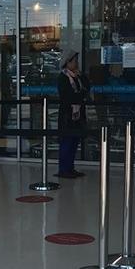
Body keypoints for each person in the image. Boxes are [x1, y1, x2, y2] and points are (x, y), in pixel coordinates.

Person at [56, 49, 89, 179]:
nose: (76, 63)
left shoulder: (78, 77)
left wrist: (80, 76)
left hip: (77, 114)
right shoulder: (63, 77)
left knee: (74, 141)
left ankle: (70, 167)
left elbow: (86, 88)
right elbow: (68, 96)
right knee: (67, 142)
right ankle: (63, 169)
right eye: (74, 61)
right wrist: (79, 95)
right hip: (67, 115)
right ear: (67, 63)